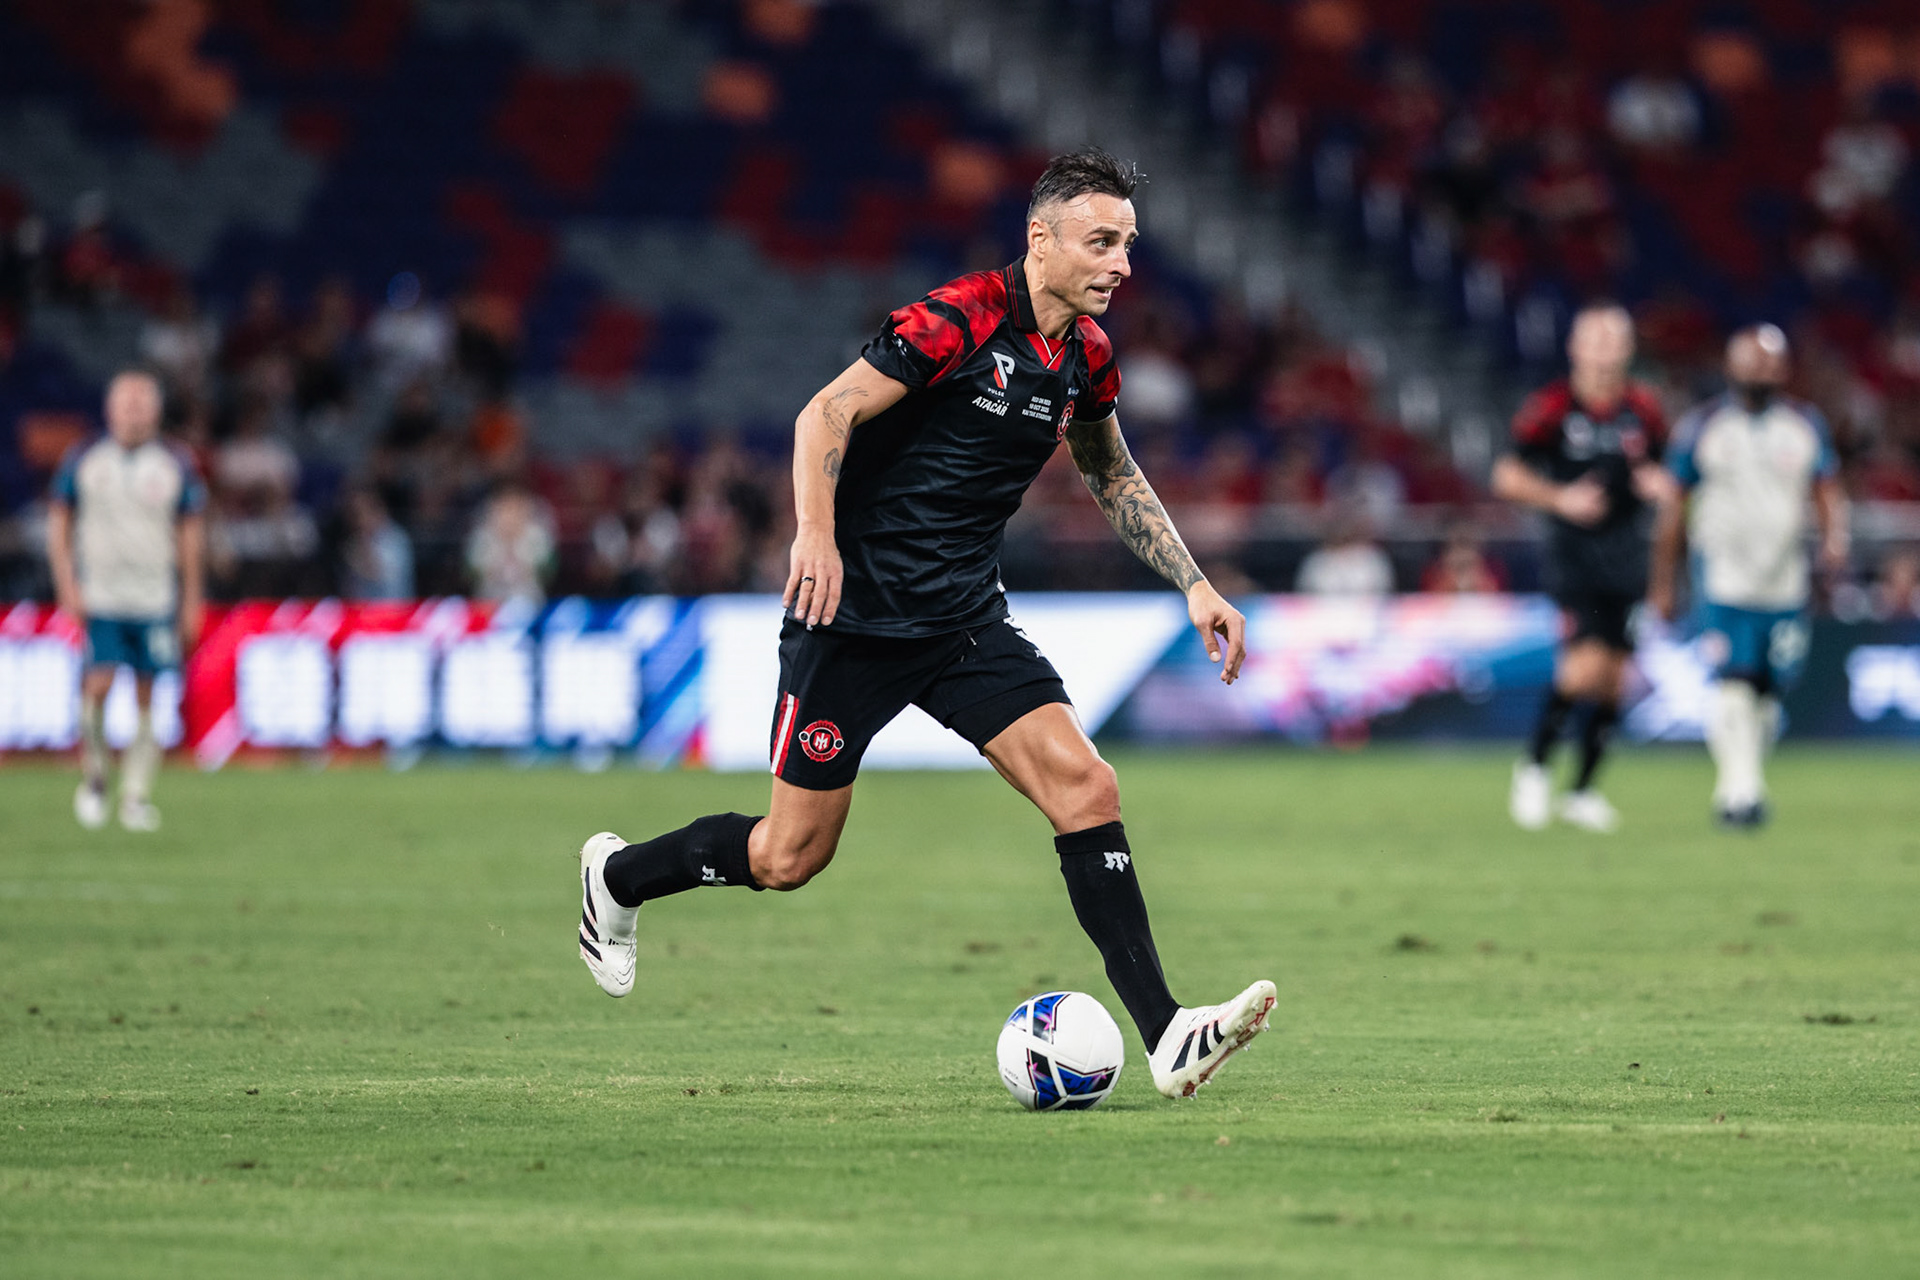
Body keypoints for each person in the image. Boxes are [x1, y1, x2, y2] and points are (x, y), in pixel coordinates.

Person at [572, 149, 1275, 1099]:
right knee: (788, 858)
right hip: (850, 619)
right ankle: (617, 882)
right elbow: (824, 416)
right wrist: (814, 537)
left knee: (1086, 786)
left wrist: (1192, 581)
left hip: (960, 620)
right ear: (1043, 238)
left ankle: (1166, 1035)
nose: (1121, 264)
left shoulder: (1086, 356)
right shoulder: (958, 318)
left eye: (1128, 245)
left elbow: (1109, 471)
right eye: (1101, 241)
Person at [1651, 326, 1849, 828]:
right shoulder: (1704, 427)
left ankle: (1745, 776)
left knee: (1769, 688)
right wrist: (1664, 578)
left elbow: (1826, 488)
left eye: (1769, 362)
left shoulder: (1805, 426)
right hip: (1723, 578)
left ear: (1784, 370)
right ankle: (1738, 789)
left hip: (1784, 580)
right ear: (1730, 367)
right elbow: (1675, 503)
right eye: (1750, 361)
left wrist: (1833, 542)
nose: (1760, 371)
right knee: (1733, 681)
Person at [1493, 303, 1674, 832]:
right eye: (1593, 338)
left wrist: (1658, 485)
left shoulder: (1643, 409)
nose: (1602, 349)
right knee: (1583, 667)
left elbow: (1666, 473)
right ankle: (1533, 766)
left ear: (1627, 349)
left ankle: (1582, 792)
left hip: (1627, 555)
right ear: (1574, 347)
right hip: (1573, 556)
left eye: (1613, 339)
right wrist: (1559, 498)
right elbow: (1506, 475)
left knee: (1616, 679)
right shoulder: (1551, 406)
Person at [45, 370, 207, 832]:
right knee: (96, 687)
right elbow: (59, 522)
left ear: (156, 410)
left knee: (146, 696)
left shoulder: (175, 464)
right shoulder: (85, 460)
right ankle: (95, 776)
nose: (134, 410)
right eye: (126, 402)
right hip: (103, 597)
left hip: (154, 598)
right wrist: (67, 584)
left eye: (142, 402)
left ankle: (135, 794)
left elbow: (190, 536)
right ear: (110, 408)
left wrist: (191, 599)